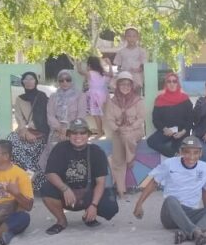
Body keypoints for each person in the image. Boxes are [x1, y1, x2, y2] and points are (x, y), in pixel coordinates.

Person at [132, 136, 206, 245]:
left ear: (200, 153)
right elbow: (153, 183)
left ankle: (186, 234)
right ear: (180, 152)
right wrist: (139, 204)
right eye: (187, 153)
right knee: (171, 199)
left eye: (195, 153)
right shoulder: (169, 164)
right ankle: (196, 232)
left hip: (190, 213)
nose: (191, 157)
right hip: (170, 214)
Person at [40, 118, 119, 235]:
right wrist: (64, 188)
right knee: (46, 188)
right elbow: (50, 173)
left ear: (88, 135)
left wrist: (93, 205)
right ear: (68, 135)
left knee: (110, 207)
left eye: (82, 133)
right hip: (65, 194)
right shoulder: (60, 149)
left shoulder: (96, 152)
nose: (78, 136)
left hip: (87, 193)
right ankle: (61, 221)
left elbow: (100, 182)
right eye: (74, 133)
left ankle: (89, 215)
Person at [37, 69, 87, 190]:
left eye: (68, 80)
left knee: (73, 156)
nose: (64, 82)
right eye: (61, 80)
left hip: (74, 131)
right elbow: (50, 115)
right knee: (53, 155)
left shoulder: (80, 95)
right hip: (56, 131)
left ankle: (73, 184)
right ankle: (56, 184)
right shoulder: (54, 97)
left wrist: (69, 130)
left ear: (72, 81)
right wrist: (60, 129)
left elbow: (81, 115)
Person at [103, 71, 146, 200]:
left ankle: (130, 158)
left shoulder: (138, 100)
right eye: (122, 84)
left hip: (135, 131)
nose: (125, 87)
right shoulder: (112, 101)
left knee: (127, 137)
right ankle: (121, 190)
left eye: (128, 84)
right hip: (118, 132)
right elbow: (109, 119)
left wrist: (129, 128)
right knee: (117, 161)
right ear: (118, 86)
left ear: (132, 86)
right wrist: (118, 129)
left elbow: (141, 118)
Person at [8, 72, 50, 175]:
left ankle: (32, 177)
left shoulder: (42, 96)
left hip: (41, 133)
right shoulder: (20, 99)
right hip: (25, 131)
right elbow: (19, 117)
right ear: (22, 82)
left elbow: (46, 118)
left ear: (36, 81)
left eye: (31, 79)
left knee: (33, 150)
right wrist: (25, 132)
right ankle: (24, 176)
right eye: (26, 79)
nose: (29, 82)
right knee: (10, 142)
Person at [147, 73, 193, 157]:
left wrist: (183, 132)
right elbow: (155, 119)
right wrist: (165, 129)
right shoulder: (160, 99)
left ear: (177, 83)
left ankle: (177, 156)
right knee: (151, 141)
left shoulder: (185, 99)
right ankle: (175, 155)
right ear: (166, 84)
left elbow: (190, 119)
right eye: (169, 81)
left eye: (174, 81)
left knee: (179, 147)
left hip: (181, 131)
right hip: (167, 130)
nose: (172, 84)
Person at [79, 55, 110, 136]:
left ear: (89, 65)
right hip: (103, 94)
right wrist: (109, 64)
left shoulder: (90, 73)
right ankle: (100, 130)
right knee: (100, 114)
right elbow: (111, 74)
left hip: (94, 96)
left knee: (96, 115)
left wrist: (78, 64)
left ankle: (100, 132)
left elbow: (80, 71)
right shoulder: (102, 73)